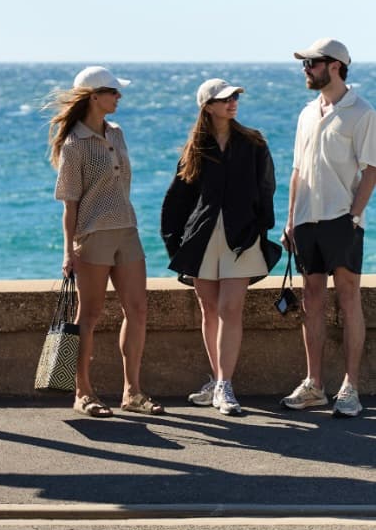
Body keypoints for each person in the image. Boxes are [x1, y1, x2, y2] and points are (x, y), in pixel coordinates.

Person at [161, 78, 282, 415]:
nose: (232, 103)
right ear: (208, 106)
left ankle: (225, 386)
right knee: (209, 310)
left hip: (241, 239)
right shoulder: (196, 148)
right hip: (201, 241)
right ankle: (216, 381)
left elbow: (266, 189)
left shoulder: (253, 143)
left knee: (230, 309)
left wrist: (260, 231)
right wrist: (174, 244)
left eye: (234, 97)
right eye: (224, 99)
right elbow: (178, 199)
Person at [49, 65, 163, 418]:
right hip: (93, 235)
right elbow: (70, 204)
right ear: (93, 97)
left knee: (139, 310)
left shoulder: (117, 133)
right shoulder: (74, 144)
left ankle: (133, 392)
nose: (119, 97)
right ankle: (83, 392)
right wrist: (69, 250)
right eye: (113, 92)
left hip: (127, 230)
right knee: (91, 315)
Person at [281, 38, 376, 418]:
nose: (306, 70)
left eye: (312, 64)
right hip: (305, 221)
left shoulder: (361, 111)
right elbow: (297, 171)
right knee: (312, 300)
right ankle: (314, 385)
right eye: (305, 65)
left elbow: (371, 170)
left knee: (349, 297)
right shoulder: (306, 113)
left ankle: (350, 387)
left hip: (342, 219)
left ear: (335, 65)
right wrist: (290, 220)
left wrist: (353, 215)